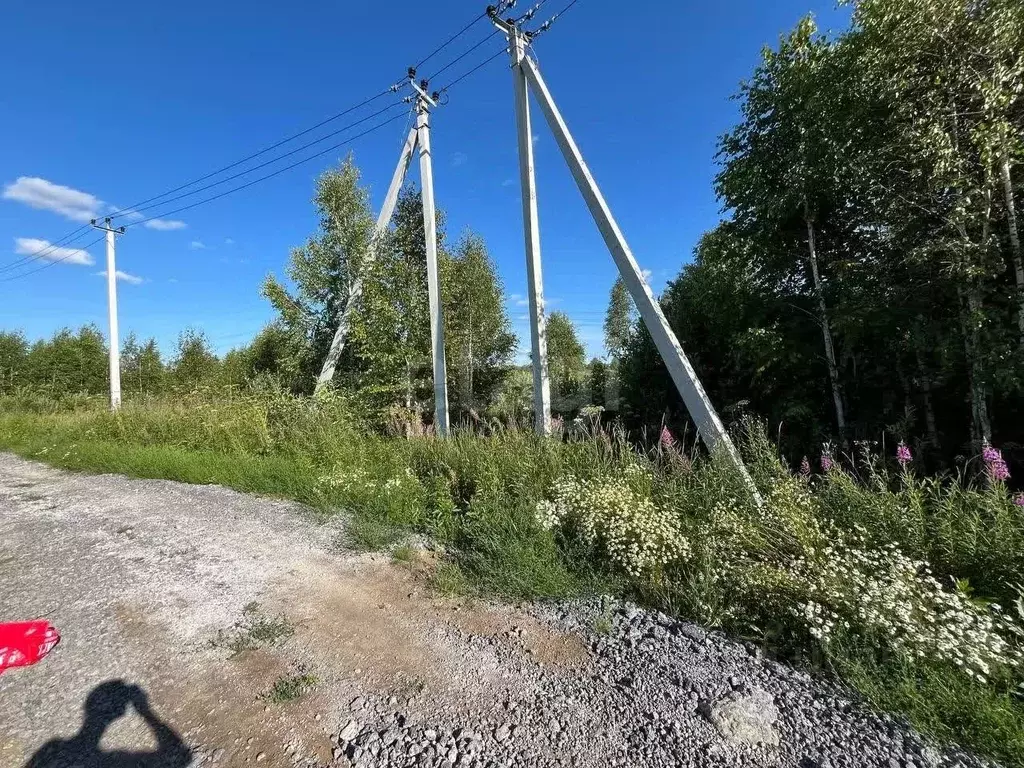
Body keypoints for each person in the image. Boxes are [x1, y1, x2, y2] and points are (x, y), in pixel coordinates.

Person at [25, 680, 192, 768]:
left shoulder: (54, 750)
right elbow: (181, 757)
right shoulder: (55, 749)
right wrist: (145, 712)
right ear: (119, 713)